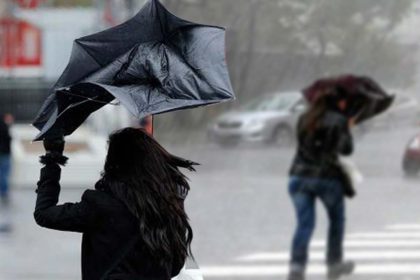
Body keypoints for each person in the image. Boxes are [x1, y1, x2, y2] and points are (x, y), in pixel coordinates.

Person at [34, 128, 197, 280]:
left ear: (114, 162)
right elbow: (175, 265)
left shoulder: (101, 205)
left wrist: (52, 158)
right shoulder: (168, 203)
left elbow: (45, 213)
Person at [287, 89, 356, 280]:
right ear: (336, 103)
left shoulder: (304, 118)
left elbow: (304, 145)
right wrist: (347, 128)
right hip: (327, 178)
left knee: (304, 225)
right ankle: (334, 263)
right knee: (336, 221)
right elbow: (346, 149)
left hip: (299, 177)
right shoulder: (338, 120)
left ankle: (296, 267)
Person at [0, 113, 13, 205]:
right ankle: (4, 192)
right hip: (4, 153)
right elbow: (8, 139)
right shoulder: (4, 127)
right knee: (4, 173)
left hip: (3, 152)